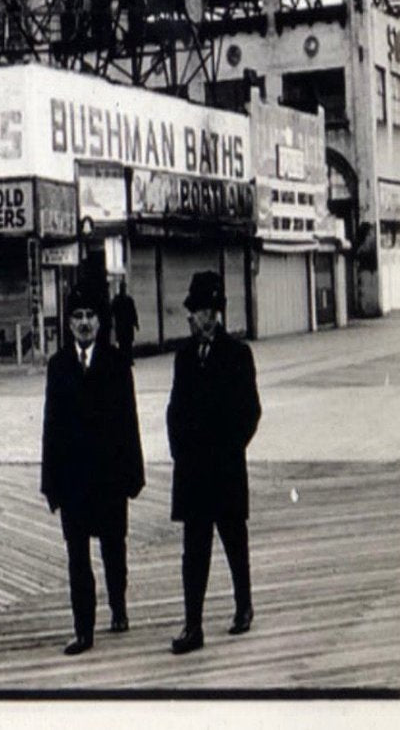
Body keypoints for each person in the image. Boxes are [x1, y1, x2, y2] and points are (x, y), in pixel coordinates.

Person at [41, 280, 145, 656]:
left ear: (101, 323)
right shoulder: (58, 367)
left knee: (114, 549)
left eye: (90, 316)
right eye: (78, 317)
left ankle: (118, 607)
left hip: (110, 476)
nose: (84, 323)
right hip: (72, 481)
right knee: (77, 556)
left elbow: (129, 421)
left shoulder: (117, 364)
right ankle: (83, 629)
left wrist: (134, 474)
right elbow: (50, 426)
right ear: (68, 324)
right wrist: (49, 483)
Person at [166, 271, 261, 655]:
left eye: (201, 310)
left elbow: (250, 412)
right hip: (191, 472)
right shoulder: (184, 356)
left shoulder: (238, 355)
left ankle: (244, 605)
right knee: (194, 550)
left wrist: (227, 450)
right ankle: (193, 625)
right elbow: (174, 411)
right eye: (192, 310)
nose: (193, 317)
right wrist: (180, 452)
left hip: (224, 470)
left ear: (215, 313)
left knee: (234, 541)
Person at [111, 278, 140, 364]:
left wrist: (136, 323)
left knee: (126, 344)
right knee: (124, 344)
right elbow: (111, 311)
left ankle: (127, 359)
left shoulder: (126, 300)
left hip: (125, 326)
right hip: (123, 326)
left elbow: (133, 312)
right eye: (122, 287)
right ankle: (125, 359)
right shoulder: (120, 300)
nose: (123, 289)